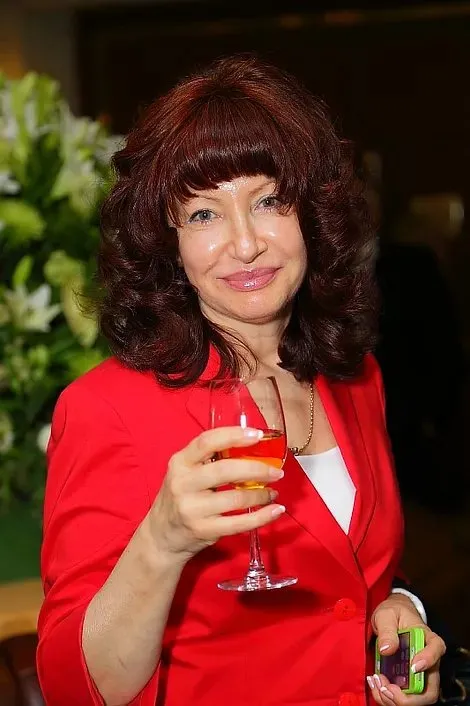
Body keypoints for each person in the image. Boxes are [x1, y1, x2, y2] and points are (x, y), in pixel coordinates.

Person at [37, 56, 445, 706]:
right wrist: (161, 541)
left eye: (269, 201)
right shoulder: (104, 408)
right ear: (165, 242)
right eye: (204, 214)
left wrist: (399, 609)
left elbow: (353, 576)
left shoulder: (354, 375)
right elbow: (73, 688)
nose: (246, 243)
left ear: (312, 214)